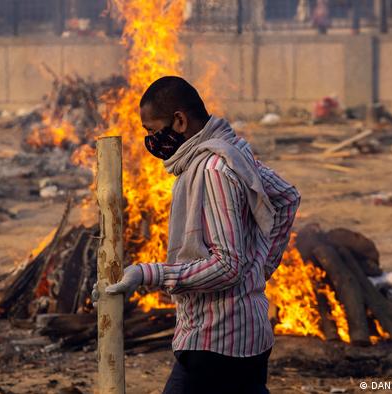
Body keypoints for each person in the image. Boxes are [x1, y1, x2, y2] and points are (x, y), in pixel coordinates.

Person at [96, 76, 300, 394]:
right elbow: (287, 197)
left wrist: (147, 274)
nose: (150, 140)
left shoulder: (212, 170)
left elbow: (227, 265)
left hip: (218, 339)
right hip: (246, 335)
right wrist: (260, 265)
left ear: (179, 120)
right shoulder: (233, 152)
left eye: (151, 130)